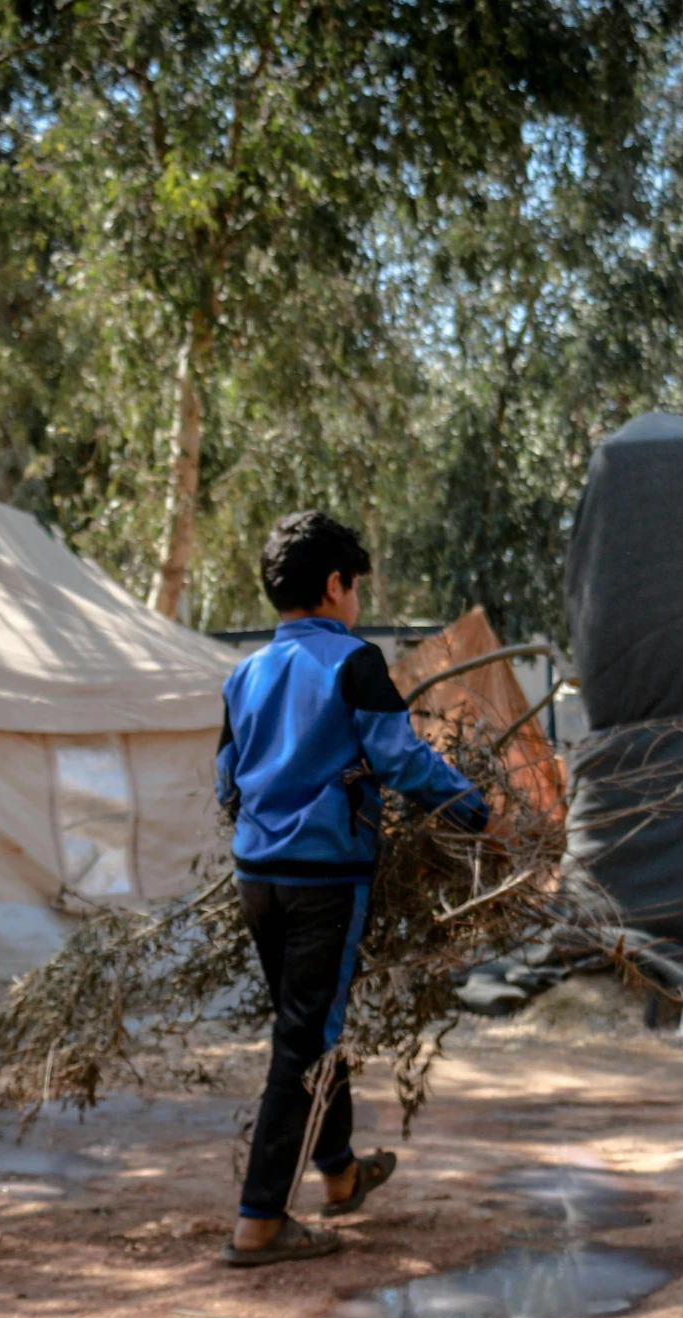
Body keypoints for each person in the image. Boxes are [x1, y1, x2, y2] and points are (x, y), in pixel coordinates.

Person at [214, 511, 489, 1265]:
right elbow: (400, 757)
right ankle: (259, 1223)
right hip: (323, 880)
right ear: (336, 585)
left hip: (257, 879)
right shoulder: (353, 662)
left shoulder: (243, 674)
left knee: (309, 1024)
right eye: (356, 585)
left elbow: (224, 781)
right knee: (304, 1041)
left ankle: (337, 1174)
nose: (357, 600)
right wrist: (474, 809)